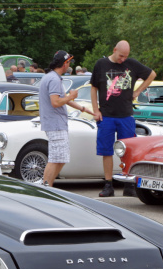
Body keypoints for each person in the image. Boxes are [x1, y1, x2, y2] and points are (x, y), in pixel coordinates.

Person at [91, 40, 155, 197]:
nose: (123, 60)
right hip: (106, 115)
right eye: (121, 56)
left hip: (126, 115)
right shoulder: (101, 64)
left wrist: (138, 91)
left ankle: (128, 184)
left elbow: (151, 74)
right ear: (114, 50)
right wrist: (95, 110)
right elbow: (94, 87)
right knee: (106, 150)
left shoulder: (131, 64)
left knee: (127, 151)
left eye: (126, 57)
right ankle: (108, 184)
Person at [38, 51, 93, 187]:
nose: (69, 65)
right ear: (64, 63)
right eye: (68, 62)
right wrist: (72, 96)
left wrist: (83, 109)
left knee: (61, 158)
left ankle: (48, 185)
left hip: (55, 123)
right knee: (56, 158)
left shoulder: (51, 77)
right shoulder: (54, 79)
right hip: (55, 124)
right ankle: (46, 186)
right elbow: (56, 102)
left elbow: (63, 99)